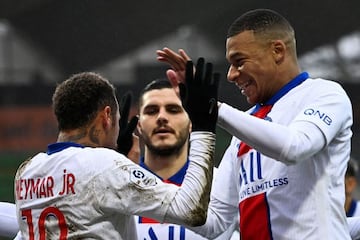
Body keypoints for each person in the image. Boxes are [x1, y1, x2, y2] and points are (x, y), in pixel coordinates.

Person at [156, 8, 353, 239]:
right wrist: (142, 190)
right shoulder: (244, 127)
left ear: (277, 51)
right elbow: (215, 222)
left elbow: (294, 147)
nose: (231, 74)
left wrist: (213, 108)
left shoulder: (325, 94)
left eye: (239, 62)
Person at [14, 68, 220, 239]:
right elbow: (191, 210)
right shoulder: (103, 165)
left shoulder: (26, 172)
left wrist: (119, 161)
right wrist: (203, 129)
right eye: (118, 119)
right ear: (106, 116)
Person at [135, 78, 239, 239]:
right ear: (139, 125)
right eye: (151, 111)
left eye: (173, 110)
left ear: (191, 122)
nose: (162, 117)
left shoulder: (222, 184)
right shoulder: (120, 184)